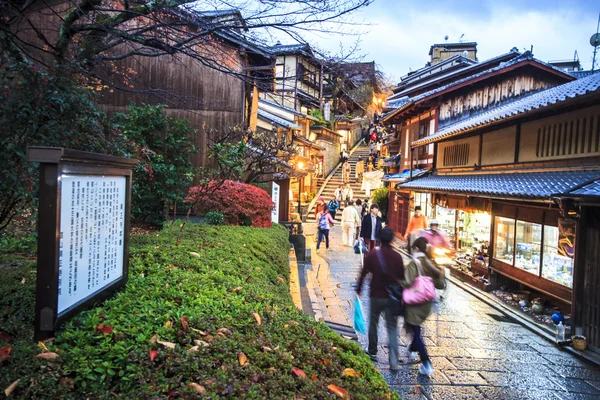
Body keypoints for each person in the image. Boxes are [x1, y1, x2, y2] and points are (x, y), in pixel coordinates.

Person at [356, 228, 404, 371]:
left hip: (376, 295)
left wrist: (359, 290)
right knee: (391, 327)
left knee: (373, 323)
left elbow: (363, 273)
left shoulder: (372, 255)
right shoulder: (397, 257)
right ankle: (393, 360)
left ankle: (372, 351)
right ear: (392, 240)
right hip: (392, 298)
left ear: (379, 239)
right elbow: (401, 277)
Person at [401, 237, 445, 376]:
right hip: (427, 302)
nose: (412, 250)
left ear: (417, 249)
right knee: (415, 327)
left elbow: (407, 282)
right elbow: (440, 284)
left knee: (415, 329)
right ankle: (412, 349)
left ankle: (426, 363)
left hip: (415, 301)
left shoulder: (415, 263)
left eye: (414, 248)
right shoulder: (431, 262)